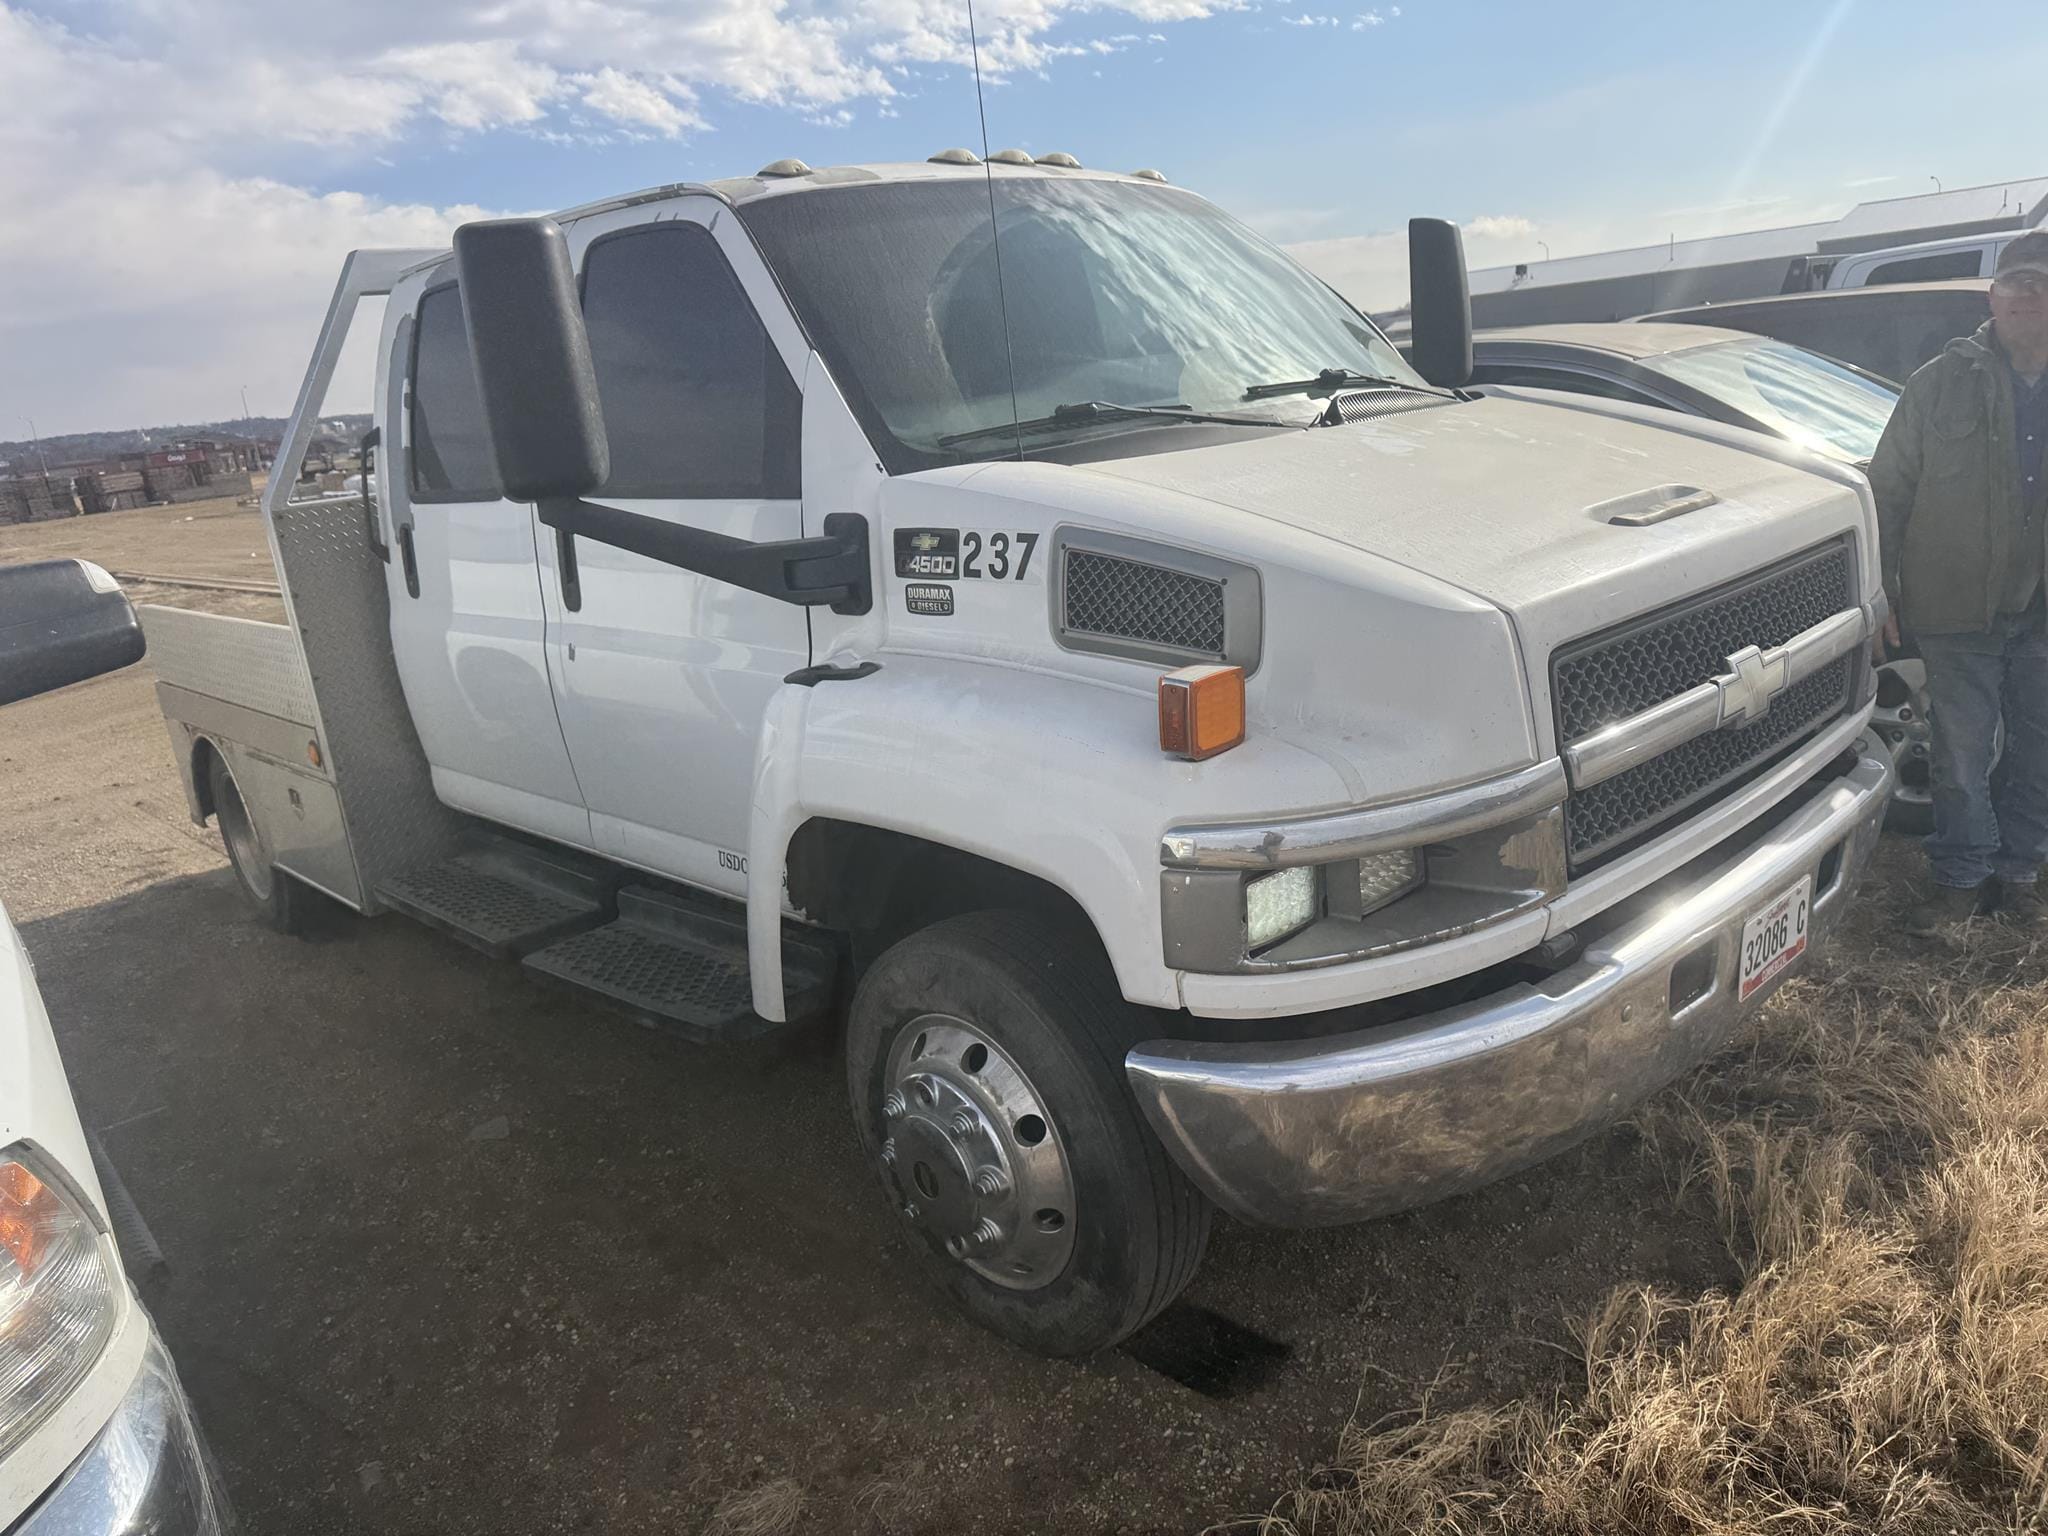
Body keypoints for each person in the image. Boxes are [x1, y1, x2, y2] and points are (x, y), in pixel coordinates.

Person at [1870, 230, 2048, 933]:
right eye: (2017, 285)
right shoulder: (1937, 383)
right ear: (1992, 297)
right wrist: (1881, 588)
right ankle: (1960, 880)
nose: (2030, 298)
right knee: (1961, 758)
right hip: (1957, 608)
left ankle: (2021, 874)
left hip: (2042, 612)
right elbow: (1887, 490)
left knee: (2038, 755)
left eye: (2043, 286)